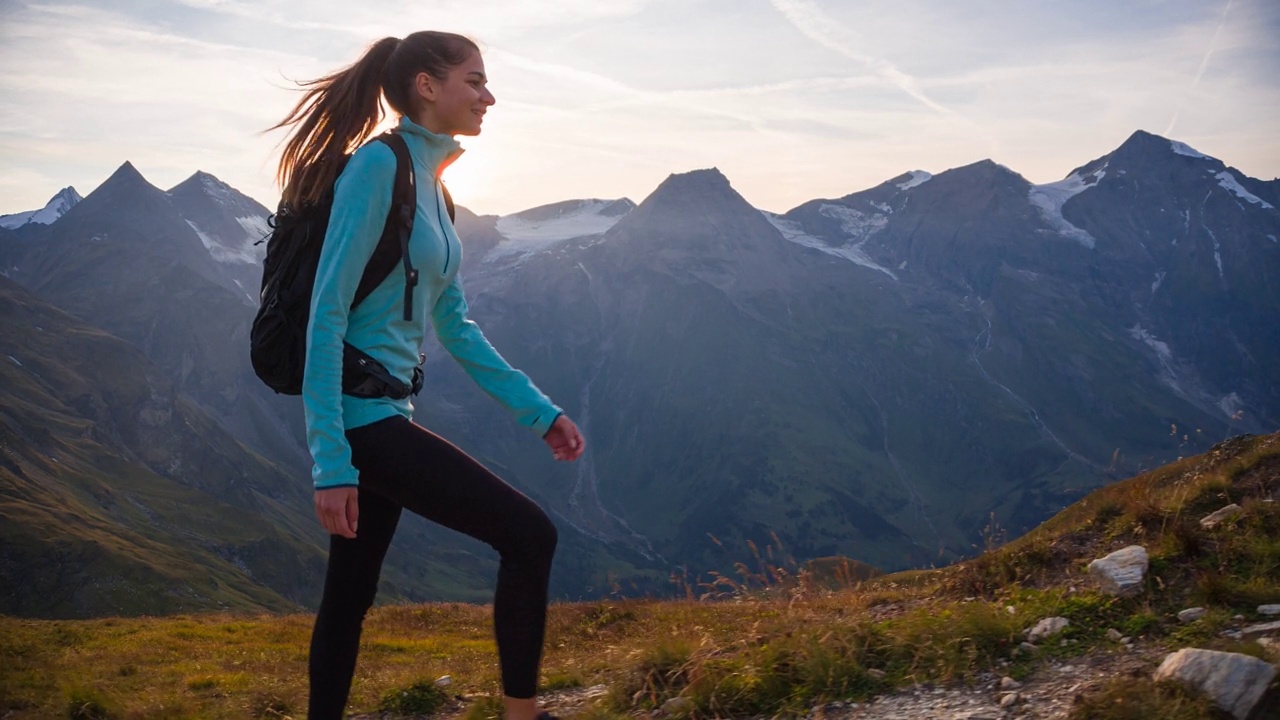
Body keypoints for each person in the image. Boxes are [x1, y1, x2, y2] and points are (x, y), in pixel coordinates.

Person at [269, 31, 585, 720]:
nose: (488, 95)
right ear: (426, 85)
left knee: (347, 599)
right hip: (362, 424)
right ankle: (521, 715)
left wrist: (541, 412)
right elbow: (326, 316)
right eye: (474, 80)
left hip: (387, 416)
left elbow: (457, 326)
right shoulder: (378, 170)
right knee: (530, 536)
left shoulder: (434, 188)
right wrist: (331, 463)